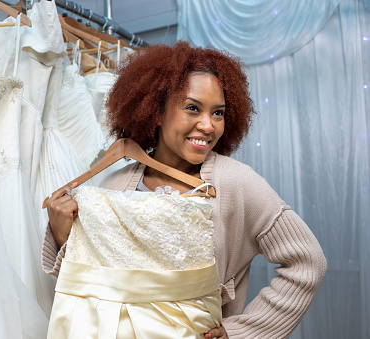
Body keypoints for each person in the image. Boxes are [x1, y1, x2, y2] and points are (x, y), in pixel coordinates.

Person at [42, 41, 327, 338]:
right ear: (156, 111)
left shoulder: (237, 183)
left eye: (218, 113)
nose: (208, 125)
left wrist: (241, 332)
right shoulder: (114, 185)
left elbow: (307, 262)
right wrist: (63, 237)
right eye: (193, 108)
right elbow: (91, 288)